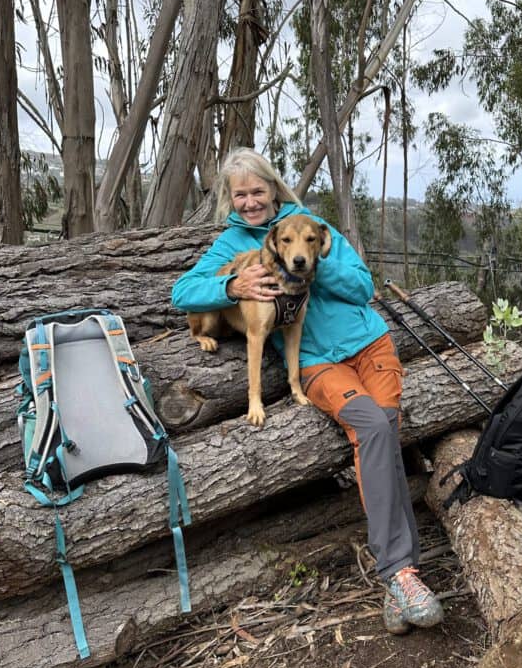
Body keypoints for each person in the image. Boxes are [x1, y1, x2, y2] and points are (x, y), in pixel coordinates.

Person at [172, 148, 443, 634]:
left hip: (370, 344)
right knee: (373, 428)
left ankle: (402, 584)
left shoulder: (312, 227)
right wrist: (233, 287)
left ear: (274, 188)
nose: (251, 202)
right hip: (318, 363)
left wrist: (313, 261)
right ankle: (399, 573)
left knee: (387, 431)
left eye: (258, 191)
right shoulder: (233, 244)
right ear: (231, 202)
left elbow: (362, 286)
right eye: (241, 195)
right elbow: (183, 293)